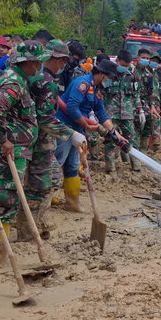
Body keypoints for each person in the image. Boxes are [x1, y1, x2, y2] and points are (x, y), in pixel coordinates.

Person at [0, 43, 42, 266]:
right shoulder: (13, 81)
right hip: (7, 151)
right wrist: (4, 139)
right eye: (38, 62)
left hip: (11, 148)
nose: (40, 66)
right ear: (31, 63)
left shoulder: (17, 79)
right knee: (6, 199)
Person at [24, 39, 84, 238]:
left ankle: (37, 225)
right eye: (63, 60)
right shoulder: (46, 81)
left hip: (28, 136)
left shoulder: (34, 76)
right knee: (42, 183)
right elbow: (46, 118)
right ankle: (31, 228)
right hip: (40, 138)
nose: (63, 65)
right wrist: (71, 134)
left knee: (45, 180)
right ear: (55, 59)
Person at [55, 59, 129, 211]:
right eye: (109, 78)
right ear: (101, 74)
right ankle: (45, 200)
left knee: (74, 166)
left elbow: (101, 113)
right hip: (64, 128)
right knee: (57, 163)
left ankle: (72, 203)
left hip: (78, 130)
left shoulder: (96, 89)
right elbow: (72, 107)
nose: (109, 81)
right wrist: (87, 125)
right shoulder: (82, 84)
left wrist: (115, 133)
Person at [107, 50, 142, 172]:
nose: (125, 68)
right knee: (111, 140)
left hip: (127, 113)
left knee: (132, 139)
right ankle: (110, 168)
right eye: (122, 65)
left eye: (127, 66)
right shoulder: (109, 75)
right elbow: (100, 93)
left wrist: (140, 109)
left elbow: (135, 94)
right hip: (111, 113)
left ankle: (136, 166)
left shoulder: (130, 76)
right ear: (117, 61)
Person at [132, 49, 158, 153]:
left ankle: (143, 150)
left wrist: (152, 106)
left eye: (147, 58)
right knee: (135, 126)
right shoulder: (132, 71)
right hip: (133, 103)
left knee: (150, 121)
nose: (145, 60)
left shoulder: (149, 74)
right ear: (138, 58)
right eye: (143, 58)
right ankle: (132, 151)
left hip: (145, 103)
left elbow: (151, 92)